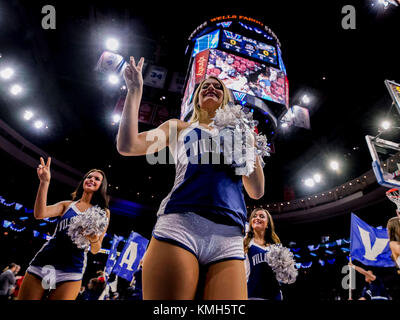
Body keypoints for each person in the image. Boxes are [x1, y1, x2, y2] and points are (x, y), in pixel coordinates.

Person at [117, 57, 265, 299]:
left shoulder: (242, 135)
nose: (211, 88)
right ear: (196, 98)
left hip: (229, 235)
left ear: (227, 99)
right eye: (205, 86)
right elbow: (127, 145)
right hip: (180, 225)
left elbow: (256, 191)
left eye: (218, 86)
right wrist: (134, 91)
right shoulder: (178, 127)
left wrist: (249, 144)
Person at [17, 157, 110, 300]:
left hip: (71, 271)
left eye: (96, 179)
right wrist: (44, 183)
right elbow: (39, 214)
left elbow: (96, 249)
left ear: (101, 185)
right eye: (89, 177)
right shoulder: (68, 205)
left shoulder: (103, 212)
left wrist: (93, 238)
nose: (91, 179)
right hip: (44, 262)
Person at [243, 208, 283, 300]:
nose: (257, 218)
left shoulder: (275, 245)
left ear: (267, 224)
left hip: (275, 295)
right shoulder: (245, 242)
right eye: (254, 216)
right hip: (253, 295)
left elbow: (280, 274)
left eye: (262, 216)